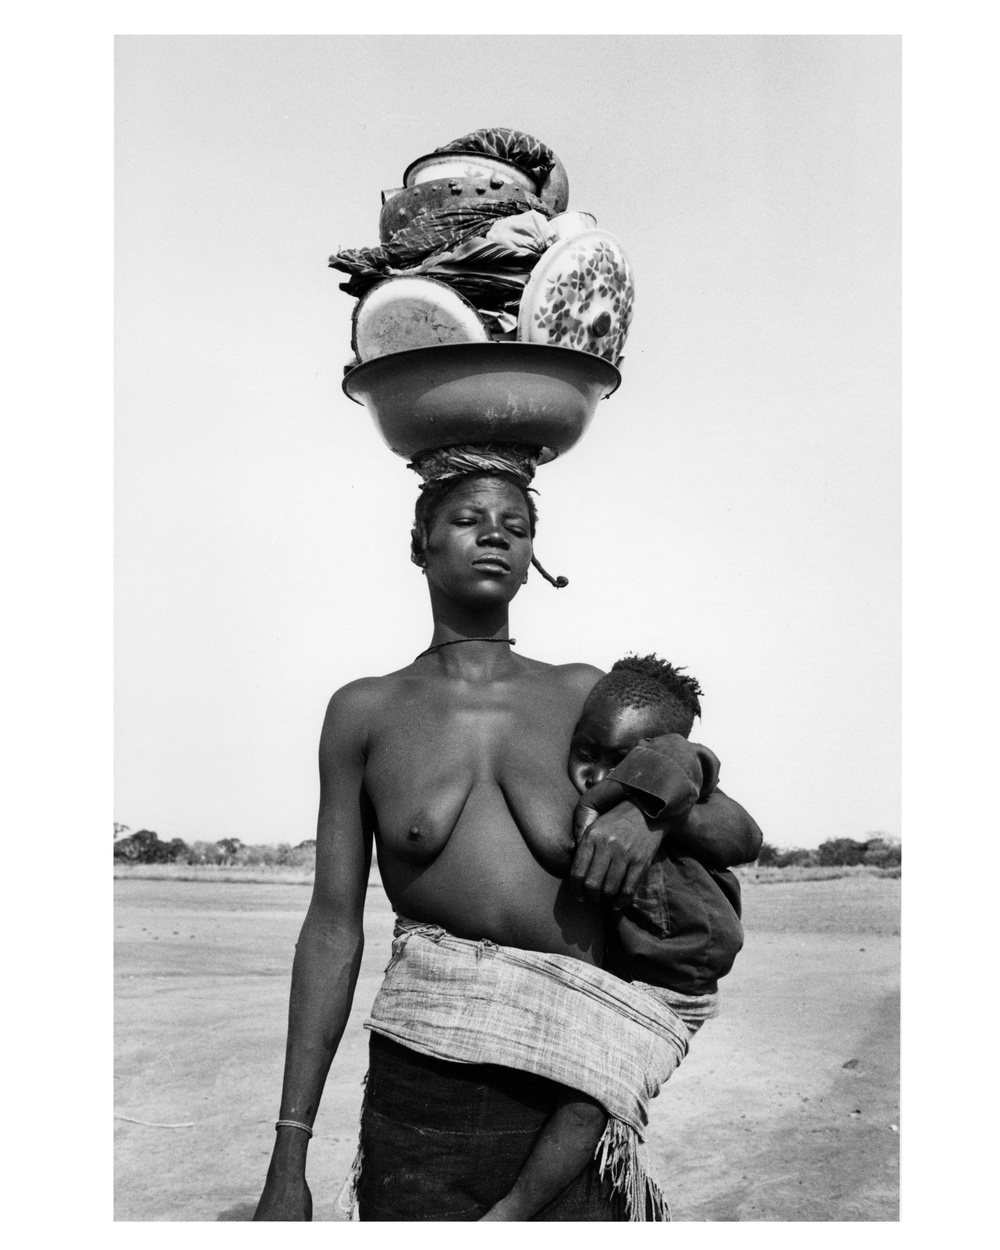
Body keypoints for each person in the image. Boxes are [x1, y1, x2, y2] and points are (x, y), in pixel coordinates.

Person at [254, 460, 761, 1222]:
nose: (495, 534)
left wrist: (651, 806)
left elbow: (738, 834)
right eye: (466, 520)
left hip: (573, 1079)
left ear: (533, 560)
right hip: (424, 1087)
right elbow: (331, 927)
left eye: (517, 527)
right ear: (417, 542)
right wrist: (288, 1152)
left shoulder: (585, 696)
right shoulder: (364, 712)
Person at [481, 654, 751, 1221]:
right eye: (586, 753)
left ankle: (511, 1213)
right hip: (642, 967)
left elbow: (724, 808)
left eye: (622, 761)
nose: (596, 775)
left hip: (678, 977)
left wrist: (641, 804)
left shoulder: (677, 778)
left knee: (591, 1099)